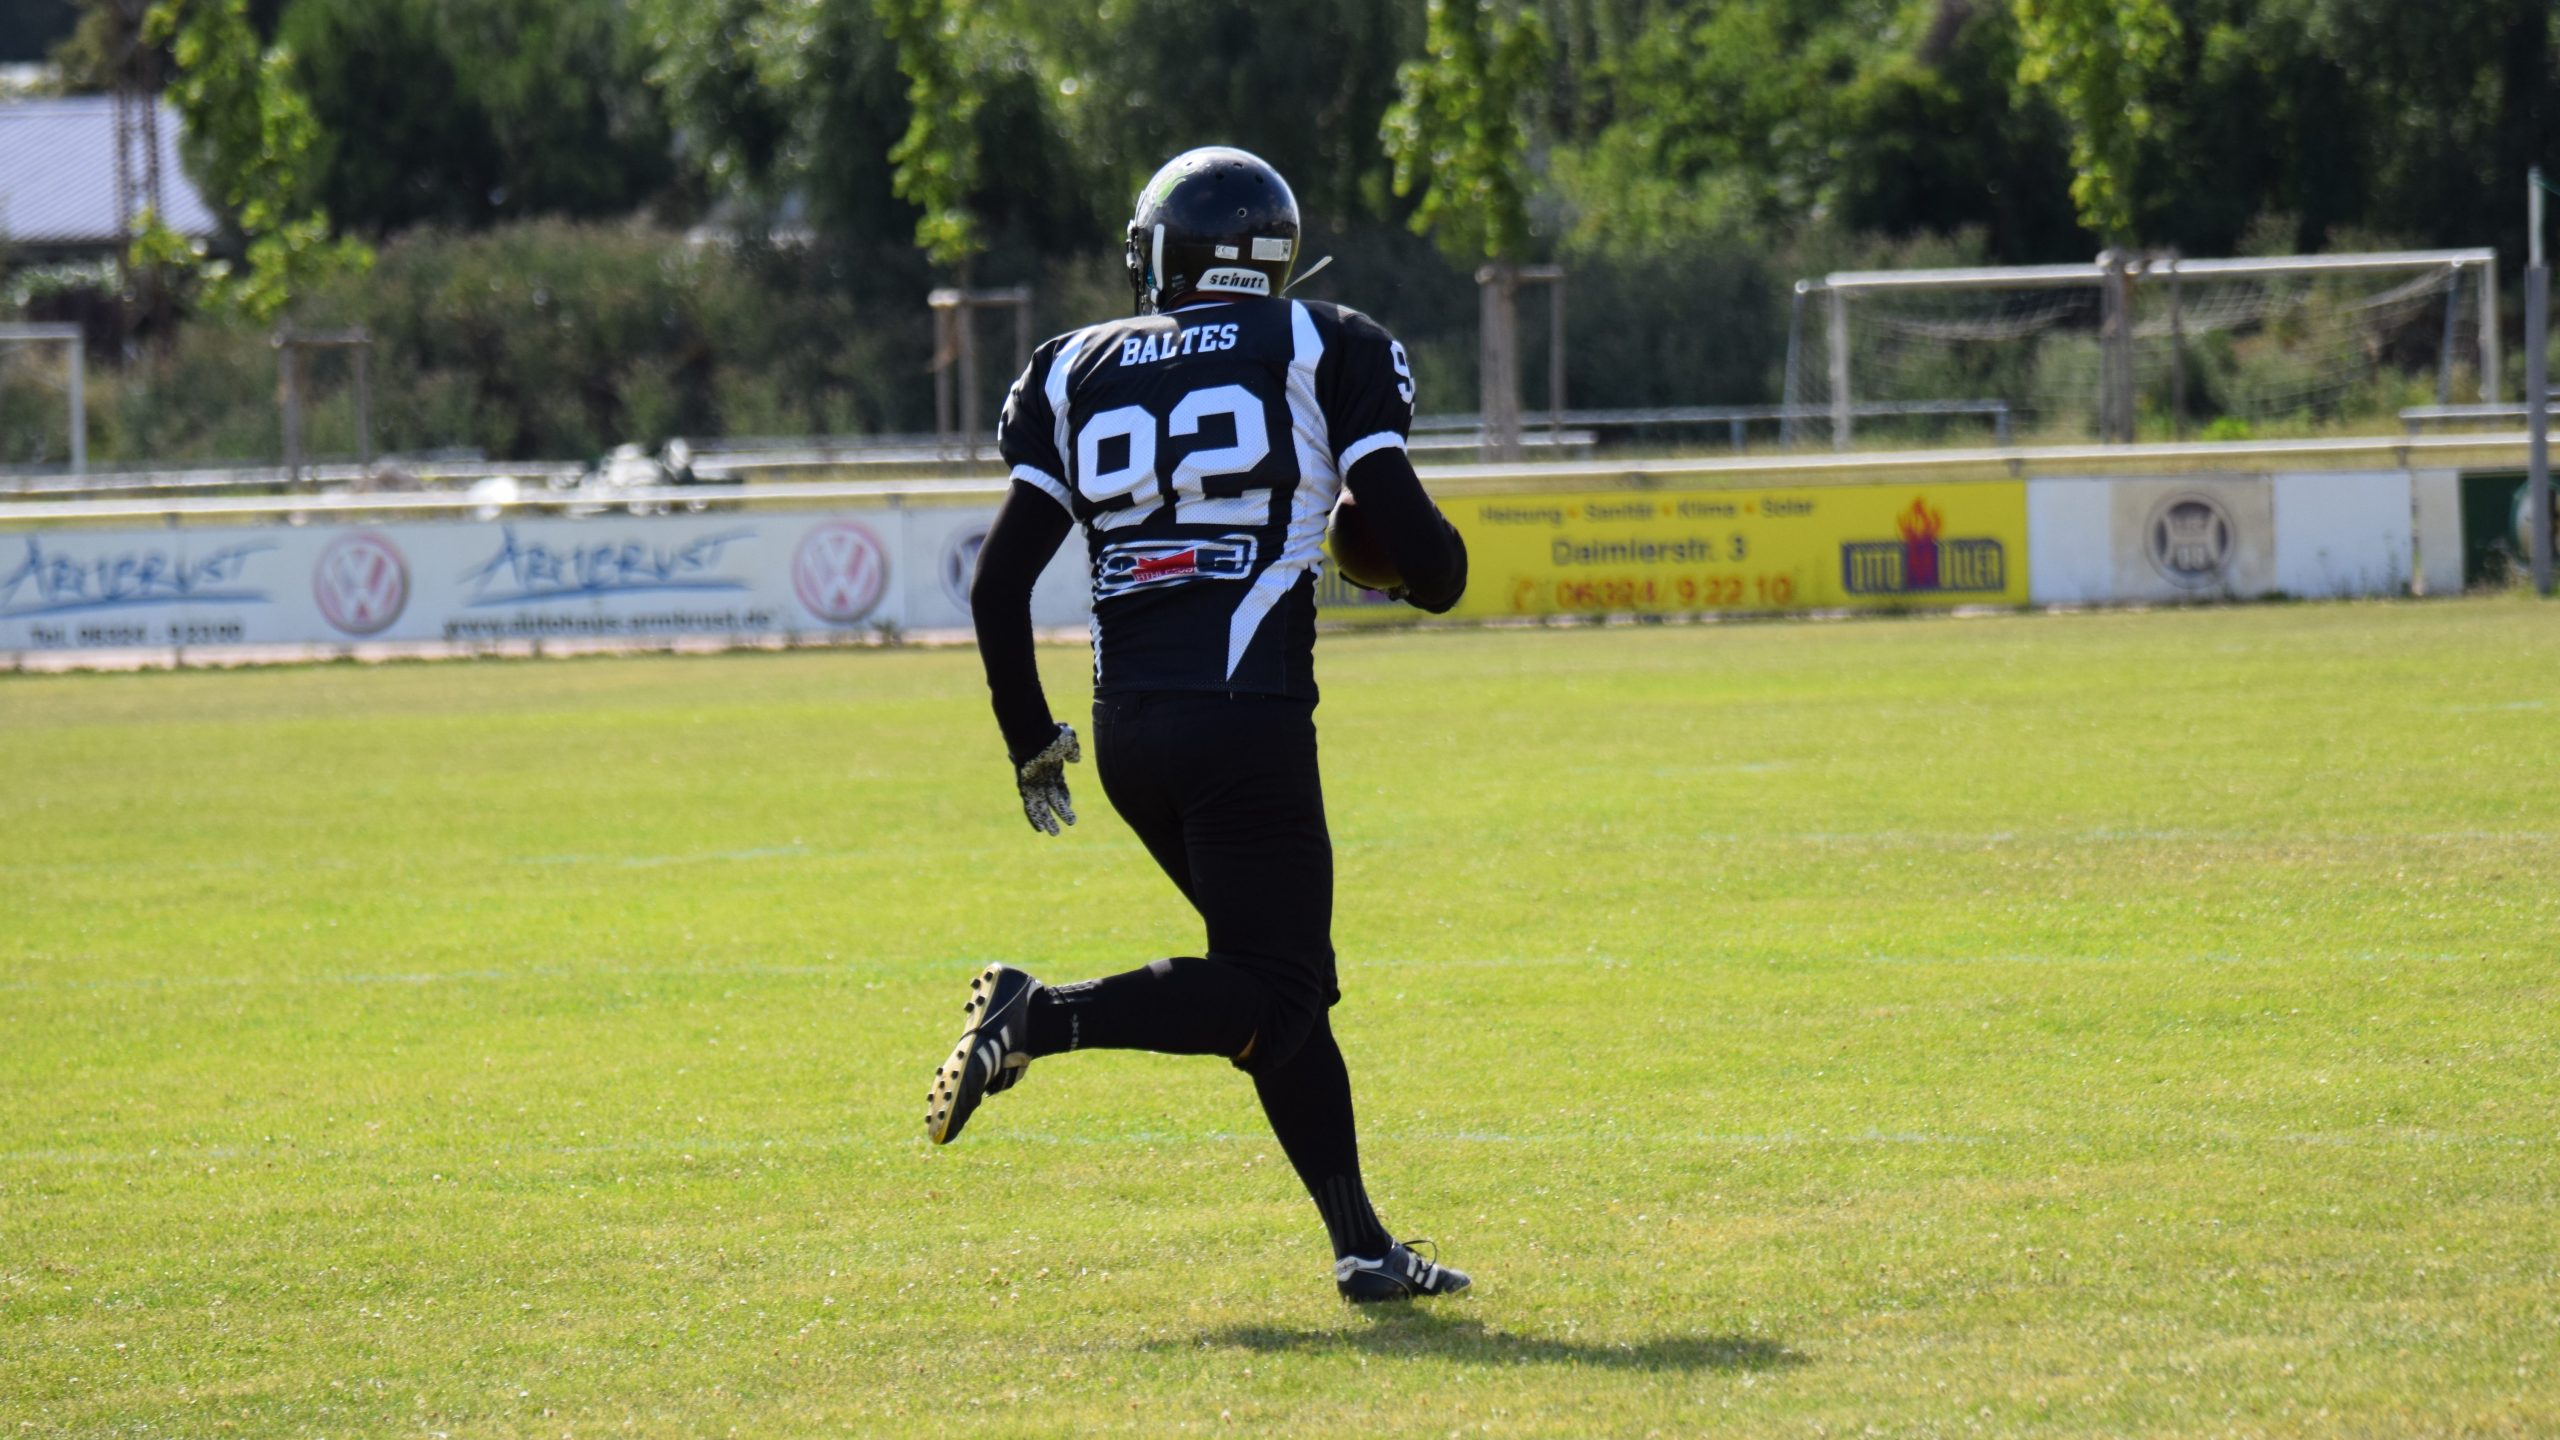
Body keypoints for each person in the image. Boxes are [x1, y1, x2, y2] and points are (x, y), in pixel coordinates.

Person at [926, 146, 1473, 1303]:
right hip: (1249, 719)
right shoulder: (1327, 342)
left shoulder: (1071, 365)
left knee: (1275, 992)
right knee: (1277, 988)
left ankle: (1363, 1246)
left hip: (1126, 733)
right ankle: (1041, 1016)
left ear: (1165, 253)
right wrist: (1396, 559)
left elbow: (996, 586)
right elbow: (1428, 565)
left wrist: (1032, 742)